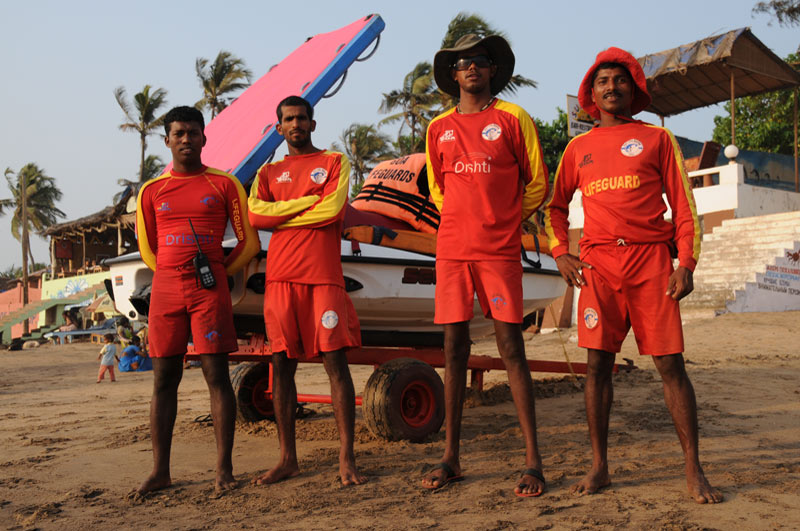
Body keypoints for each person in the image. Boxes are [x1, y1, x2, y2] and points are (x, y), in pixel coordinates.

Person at [543, 47, 723, 504]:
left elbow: (684, 208)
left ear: (633, 88)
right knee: (597, 366)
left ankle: (693, 468)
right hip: (599, 267)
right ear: (591, 92)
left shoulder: (657, 139)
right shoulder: (577, 148)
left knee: (670, 365)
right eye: (602, 81)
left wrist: (687, 264)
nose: (611, 87)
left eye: (619, 81)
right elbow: (555, 207)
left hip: (651, 264)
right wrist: (560, 252)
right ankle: (599, 465)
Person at [423, 34, 549, 496]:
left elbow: (537, 181)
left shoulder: (513, 118)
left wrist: (503, 220)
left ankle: (534, 461)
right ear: (453, 74)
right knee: (453, 348)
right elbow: (438, 189)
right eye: (462, 63)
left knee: (510, 347)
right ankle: (450, 457)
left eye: (479, 61)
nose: (471, 67)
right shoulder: (438, 127)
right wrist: (461, 221)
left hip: (498, 249)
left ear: (491, 69)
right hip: (453, 249)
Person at [135, 105, 260, 495]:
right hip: (167, 288)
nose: (186, 139)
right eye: (179, 133)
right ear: (167, 141)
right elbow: (148, 249)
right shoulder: (151, 190)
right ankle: (160, 471)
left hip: (210, 290)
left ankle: (224, 470)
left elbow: (248, 242)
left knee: (216, 375)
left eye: (193, 132)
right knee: (163, 379)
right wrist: (175, 273)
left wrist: (219, 271)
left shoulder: (224, 184)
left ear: (205, 137)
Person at [247, 95, 365, 486]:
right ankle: (287, 459)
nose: (296, 124)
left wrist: (284, 213)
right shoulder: (268, 174)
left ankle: (346, 457)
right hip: (280, 280)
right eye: (288, 119)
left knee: (335, 364)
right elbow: (256, 216)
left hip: (323, 278)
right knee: (280, 365)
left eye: (302, 118)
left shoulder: (334, 162)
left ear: (312, 124)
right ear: (278, 128)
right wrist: (304, 205)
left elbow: (331, 210)